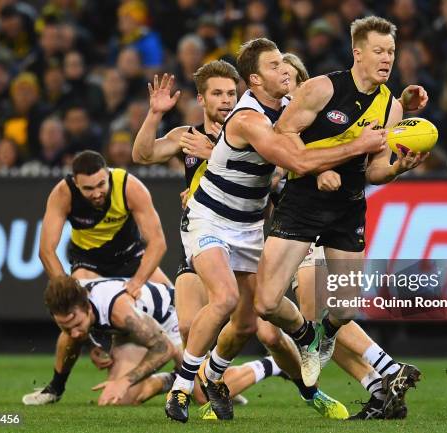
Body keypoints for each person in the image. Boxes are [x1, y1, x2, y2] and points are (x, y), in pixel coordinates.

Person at [164, 37, 387, 423]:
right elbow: (297, 157)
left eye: (285, 61)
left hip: (250, 224)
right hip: (210, 217)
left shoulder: (290, 108)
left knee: (251, 322)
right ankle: (181, 390)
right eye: (273, 65)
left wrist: (395, 121)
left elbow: (324, 142)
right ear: (254, 80)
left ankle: (218, 374)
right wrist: (353, 149)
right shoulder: (249, 118)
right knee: (225, 299)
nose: (285, 69)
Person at [134, 61, 347, 421]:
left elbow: (282, 164)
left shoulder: (255, 124)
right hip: (206, 227)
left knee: (257, 327)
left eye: (230, 93)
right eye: (216, 93)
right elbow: (143, 154)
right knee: (200, 317)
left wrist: (216, 150)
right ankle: (185, 388)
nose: (225, 100)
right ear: (201, 99)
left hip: (247, 230)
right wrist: (154, 114)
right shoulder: (187, 136)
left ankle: (300, 389)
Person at [253, 16, 428, 419]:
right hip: (304, 200)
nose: (387, 59)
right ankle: (306, 336)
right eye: (379, 51)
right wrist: (318, 168)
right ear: (358, 53)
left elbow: (375, 170)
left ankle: (322, 336)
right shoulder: (321, 88)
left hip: (349, 205)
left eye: (392, 52)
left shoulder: (391, 106)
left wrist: (400, 168)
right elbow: (282, 134)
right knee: (265, 301)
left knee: (346, 309)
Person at [283, 51, 415, 420]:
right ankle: (380, 383)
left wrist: (400, 105)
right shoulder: (266, 119)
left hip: (320, 218)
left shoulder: (310, 110)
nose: (286, 83)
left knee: (312, 314)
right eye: (280, 75)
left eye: (292, 77)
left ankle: (385, 370)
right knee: (299, 323)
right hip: (289, 219)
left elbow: (364, 128)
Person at [22, 150, 170, 405]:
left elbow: (157, 243)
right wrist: (66, 291)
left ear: (108, 175)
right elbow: (46, 250)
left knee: (183, 311)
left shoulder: (129, 187)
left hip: (131, 259)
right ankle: (55, 388)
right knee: (73, 318)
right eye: (88, 188)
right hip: (89, 262)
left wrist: (136, 283)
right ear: (76, 183)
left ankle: (209, 378)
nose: (97, 192)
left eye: (101, 184)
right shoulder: (63, 193)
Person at [36, 276, 177, 406]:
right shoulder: (77, 301)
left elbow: (165, 348)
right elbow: (75, 329)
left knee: (199, 393)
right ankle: (56, 387)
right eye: (66, 327)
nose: (74, 334)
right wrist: (91, 345)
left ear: (89, 308)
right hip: (132, 333)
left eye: (78, 324)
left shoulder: (120, 313)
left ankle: (178, 376)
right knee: (118, 401)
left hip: (172, 317)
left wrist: (124, 382)